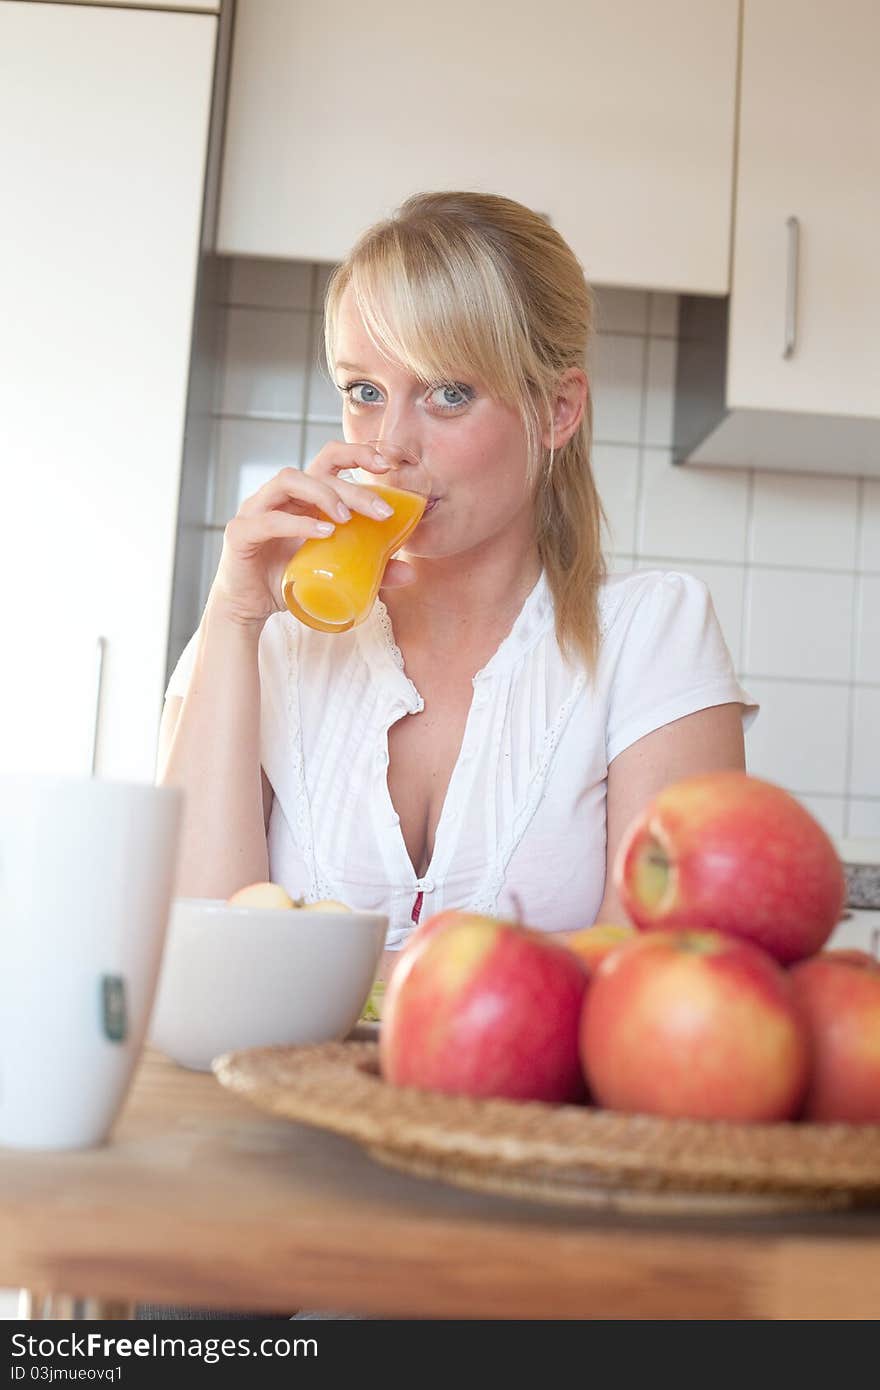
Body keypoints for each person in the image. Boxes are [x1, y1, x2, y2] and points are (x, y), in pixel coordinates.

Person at [158, 190, 756, 983]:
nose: (389, 446)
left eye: (448, 394)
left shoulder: (653, 637)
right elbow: (196, 961)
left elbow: (653, 992)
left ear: (556, 410)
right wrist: (234, 618)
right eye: (364, 392)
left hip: (523, 1114)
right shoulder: (264, 636)